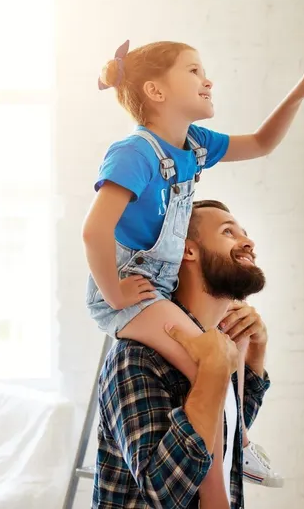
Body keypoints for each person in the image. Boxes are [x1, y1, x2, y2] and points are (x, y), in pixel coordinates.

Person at [83, 40, 304, 499]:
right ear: (156, 91)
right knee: (206, 365)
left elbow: (261, 143)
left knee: (220, 355)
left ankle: (239, 446)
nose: (207, 80)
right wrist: (115, 294)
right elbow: (94, 231)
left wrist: (300, 92)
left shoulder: (193, 146)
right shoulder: (134, 153)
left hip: (157, 289)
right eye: (194, 70)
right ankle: (233, 467)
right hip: (132, 292)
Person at [93, 200, 271, 508]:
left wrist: (256, 352)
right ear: (188, 250)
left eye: (244, 232)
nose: (248, 242)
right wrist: (212, 374)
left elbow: (228, 429)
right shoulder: (137, 357)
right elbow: (163, 494)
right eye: (228, 232)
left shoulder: (219, 346)